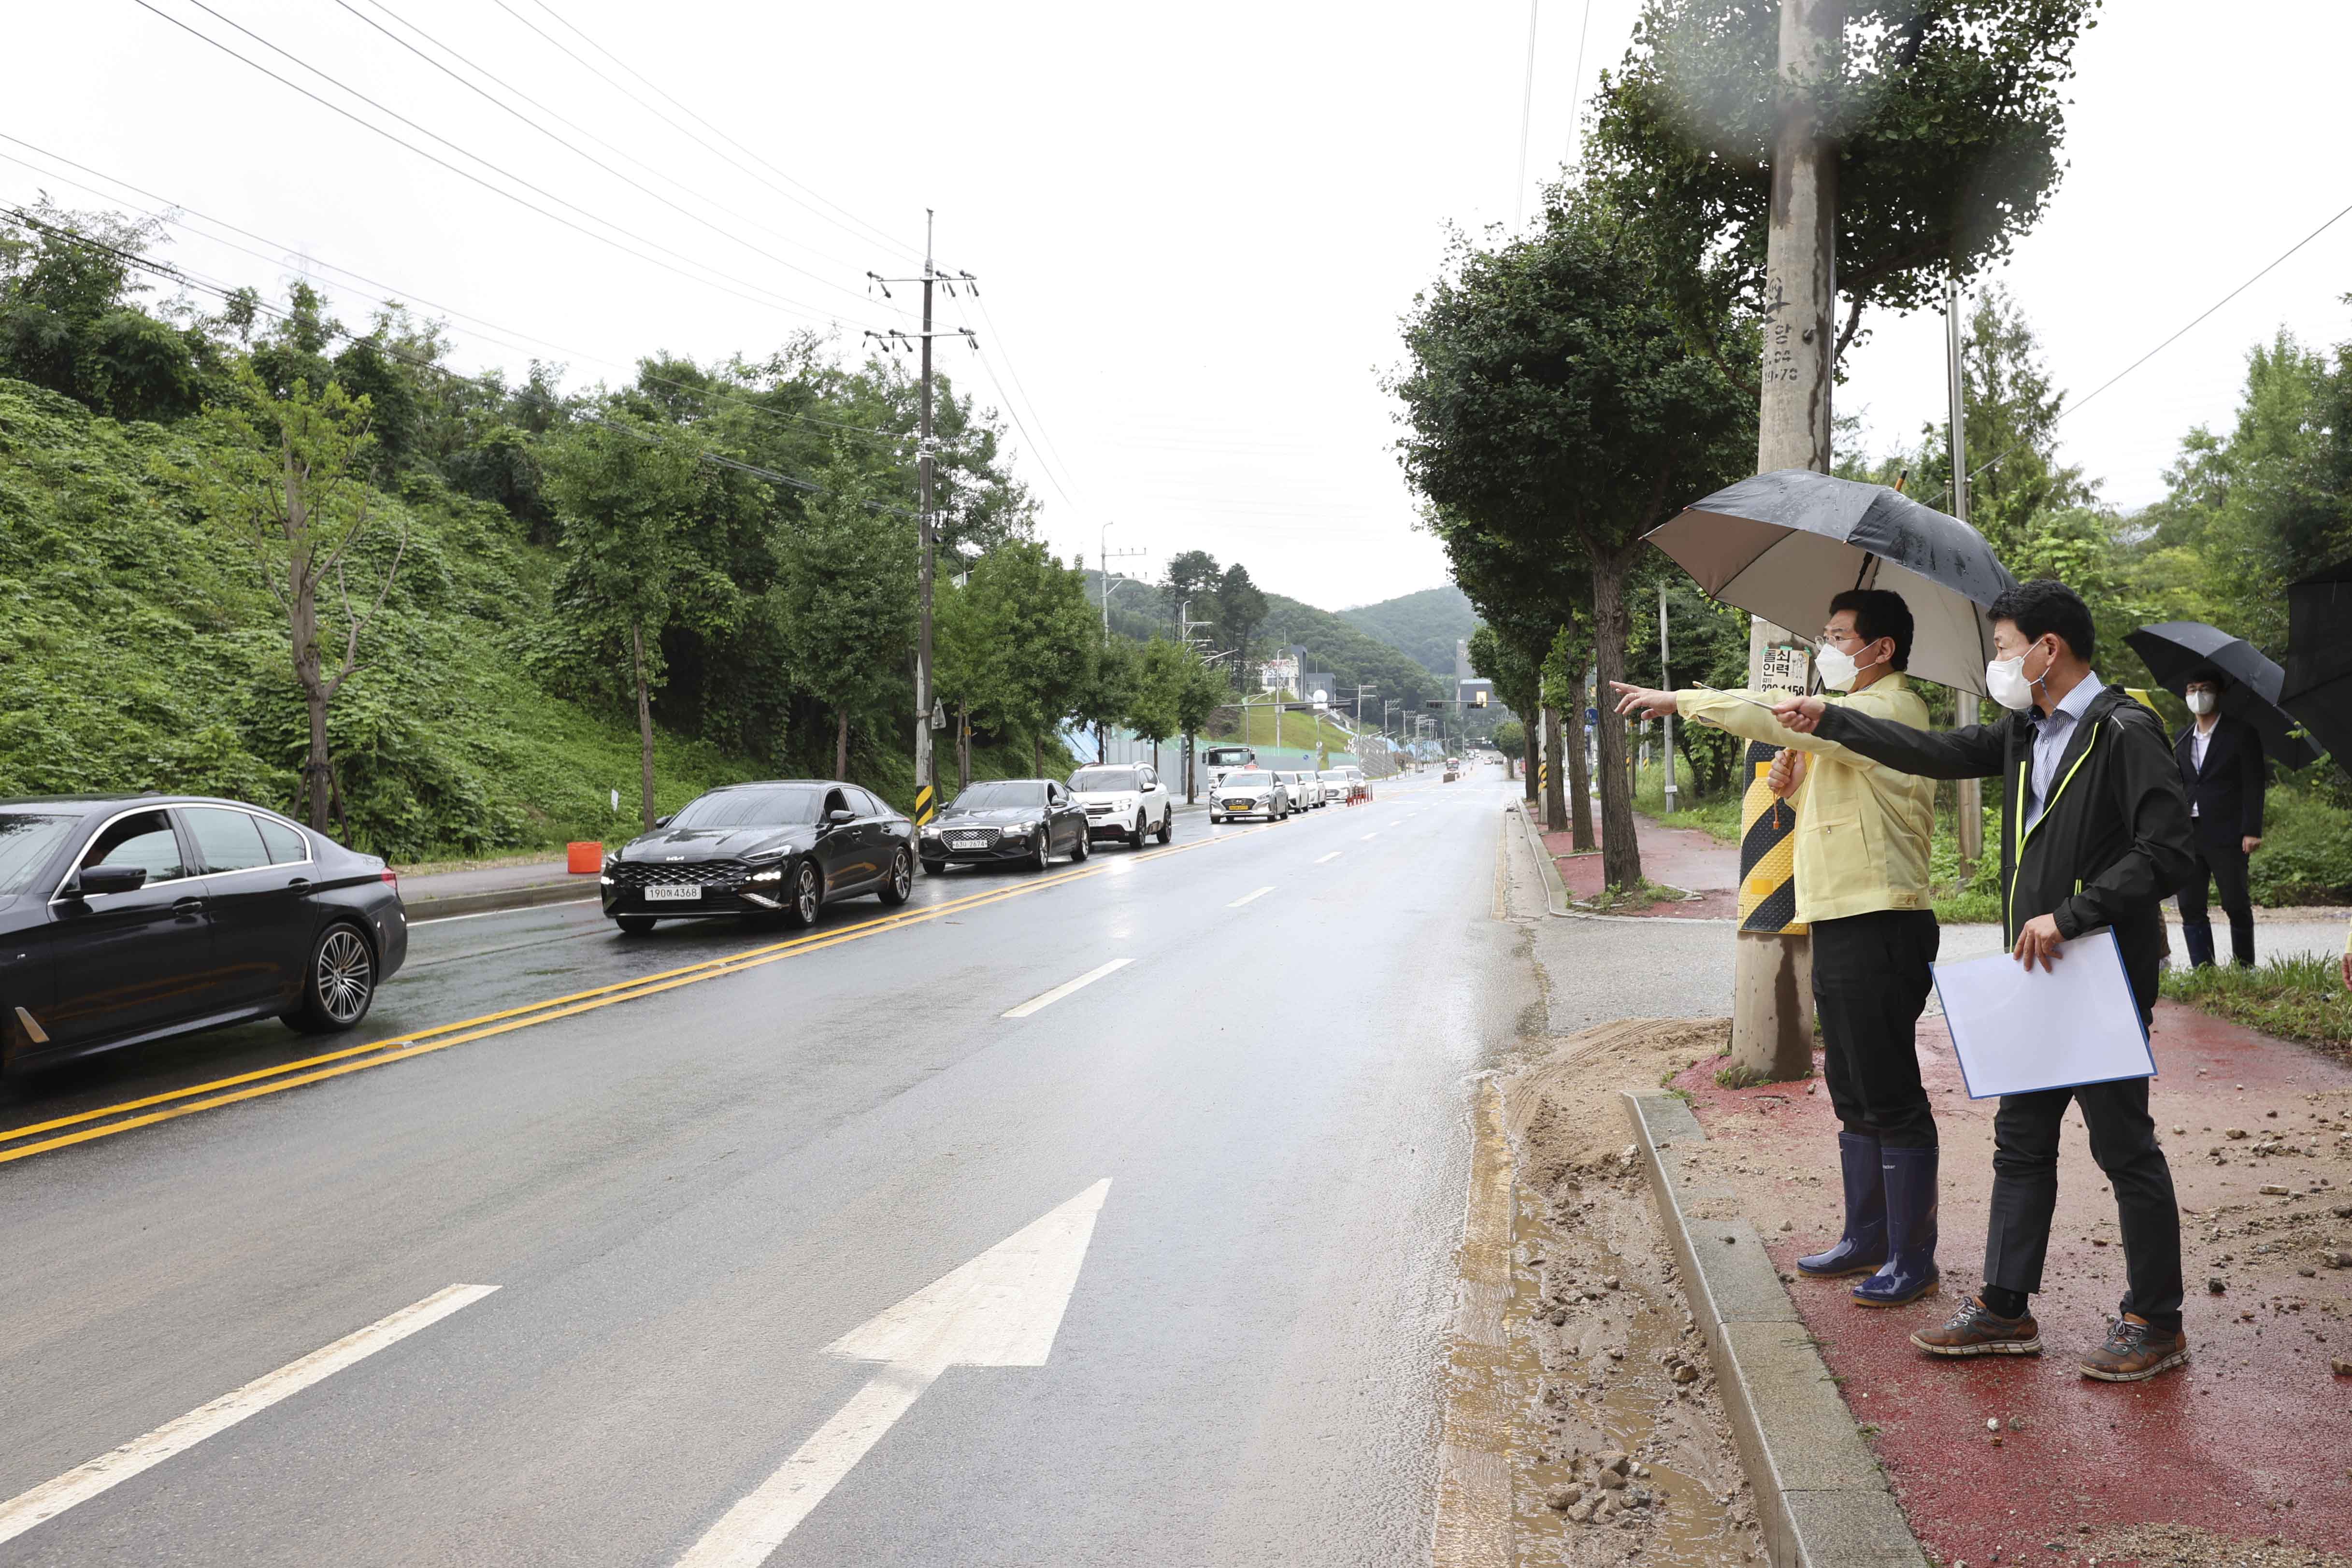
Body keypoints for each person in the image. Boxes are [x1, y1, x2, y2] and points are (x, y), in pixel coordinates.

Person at [1773, 579, 2198, 1383]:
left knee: (2120, 1144)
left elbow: (2168, 851)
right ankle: (2004, 1308)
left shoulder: (2123, 730)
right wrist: (1830, 718)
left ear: (2049, 648)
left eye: (2004, 648)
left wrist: (2072, 914)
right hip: (2033, 969)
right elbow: (1933, 753)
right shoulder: (2023, 732)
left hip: (2099, 969)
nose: (1997, 663)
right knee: (2021, 1139)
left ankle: (2155, 1319)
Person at [1611, 588, 1943, 1308]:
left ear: (1880, 649)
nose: (1827, 646)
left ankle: (1913, 1256)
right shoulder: (1847, 726)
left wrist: (1682, 700)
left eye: (1838, 635)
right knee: (1854, 1089)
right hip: (1841, 917)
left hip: (1883, 919)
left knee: (1891, 1092)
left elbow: (1769, 711)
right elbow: (1837, 807)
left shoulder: (1888, 712)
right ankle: (1868, 1237)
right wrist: (1795, 785)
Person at [2172, 666, 2266, 968]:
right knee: (2189, 904)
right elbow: (2179, 783)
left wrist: (2251, 829)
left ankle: (2245, 967)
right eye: (2191, 689)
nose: (2198, 695)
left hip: (2228, 832)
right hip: (2190, 832)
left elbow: (2254, 783)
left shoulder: (2241, 733)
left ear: (2219, 693)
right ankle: (2204, 969)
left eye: (2205, 689)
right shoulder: (2182, 738)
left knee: (2235, 902)